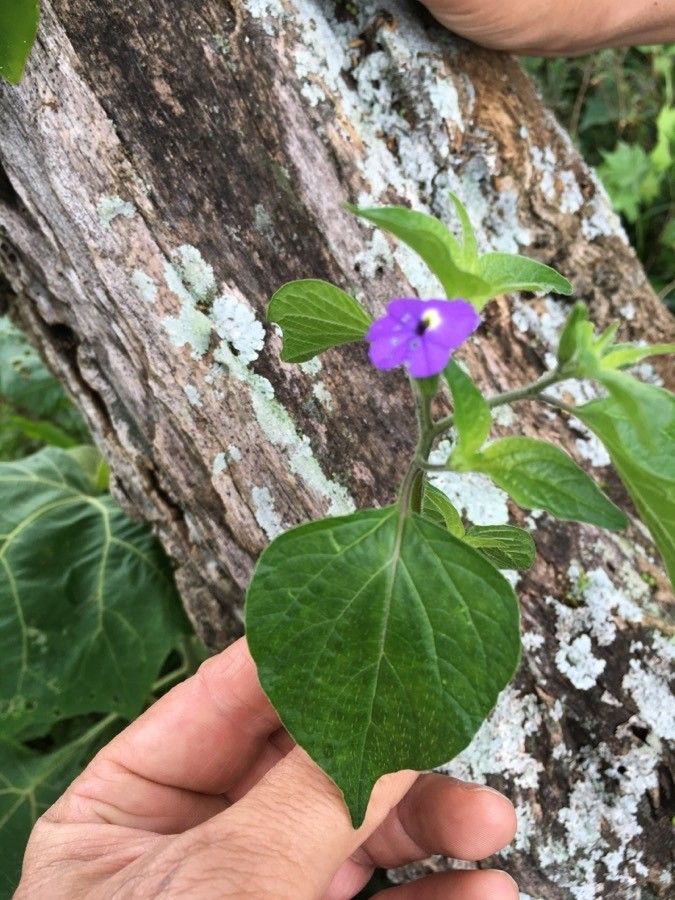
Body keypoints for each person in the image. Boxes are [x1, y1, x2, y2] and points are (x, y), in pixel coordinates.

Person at [17, 4, 675, 897]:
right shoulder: (430, 332)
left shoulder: (424, 333)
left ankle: (357, 765)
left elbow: (422, 369)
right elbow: (412, 364)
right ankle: (352, 769)